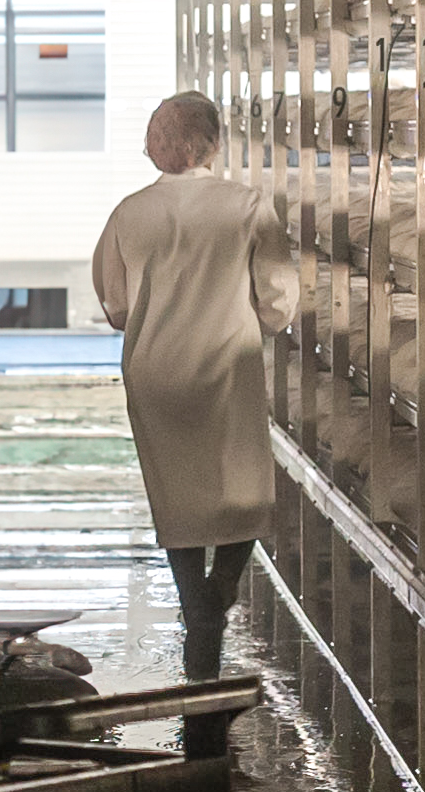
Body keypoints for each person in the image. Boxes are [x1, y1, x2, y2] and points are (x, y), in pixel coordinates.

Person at [87, 90, 289, 684]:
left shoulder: (128, 213)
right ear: (213, 143)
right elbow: (277, 302)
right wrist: (261, 317)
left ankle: (192, 602)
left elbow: (117, 306)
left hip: (155, 369)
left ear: (158, 146)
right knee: (243, 491)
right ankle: (218, 594)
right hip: (228, 362)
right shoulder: (247, 206)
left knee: (176, 496)